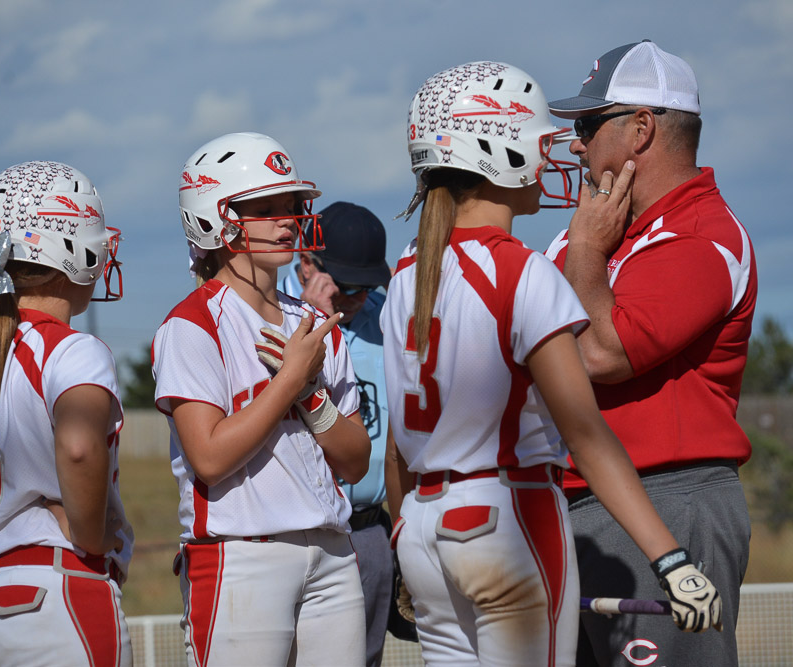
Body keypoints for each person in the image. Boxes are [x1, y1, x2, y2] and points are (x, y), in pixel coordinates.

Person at [381, 61, 722, 666]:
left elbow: (398, 448)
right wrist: (670, 559)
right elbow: (586, 436)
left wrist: (404, 531)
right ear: (497, 151)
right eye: (540, 142)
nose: (555, 156)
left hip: (422, 527)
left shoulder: (408, 271)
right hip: (507, 520)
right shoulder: (521, 270)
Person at [545, 40, 757, 666]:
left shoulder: (703, 235)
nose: (576, 145)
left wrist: (586, 253)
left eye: (588, 125)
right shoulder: (602, 227)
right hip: (575, 500)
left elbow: (600, 356)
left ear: (641, 128)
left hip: (667, 498)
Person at [152, 132, 371, 666]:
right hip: (241, 556)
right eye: (265, 209)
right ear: (215, 219)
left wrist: (311, 397)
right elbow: (209, 458)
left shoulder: (316, 323)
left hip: (332, 551)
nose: (286, 221)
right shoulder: (192, 324)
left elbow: (356, 461)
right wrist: (290, 381)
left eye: (290, 206)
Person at [0, 161, 133, 666]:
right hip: (49, 600)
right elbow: (80, 448)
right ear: (71, 249)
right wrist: (89, 535)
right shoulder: (72, 350)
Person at [281, 201, 403, 664]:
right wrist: (311, 319)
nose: (357, 299)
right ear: (306, 264)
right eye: (347, 286)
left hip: (368, 529)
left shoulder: (386, 317)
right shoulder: (269, 312)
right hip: (295, 534)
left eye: (367, 287)